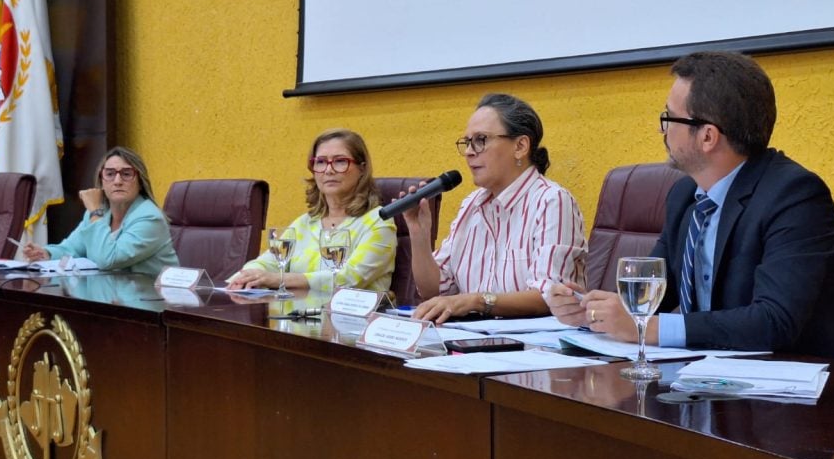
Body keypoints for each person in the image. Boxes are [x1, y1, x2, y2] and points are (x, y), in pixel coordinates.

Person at [547, 51, 834, 365]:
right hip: (722, 378)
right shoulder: (685, 196)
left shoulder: (794, 196)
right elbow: (655, 293)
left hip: (821, 392)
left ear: (707, 136)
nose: (661, 130)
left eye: (668, 117)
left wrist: (650, 330)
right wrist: (593, 309)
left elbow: (775, 320)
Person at [402, 92, 587, 323]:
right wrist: (418, 234)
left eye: (481, 140)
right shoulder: (471, 204)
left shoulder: (552, 201)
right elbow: (435, 291)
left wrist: (476, 301)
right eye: (467, 142)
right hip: (474, 340)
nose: (469, 151)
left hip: (533, 348)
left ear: (520, 146)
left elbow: (549, 297)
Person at [227, 128, 396, 292]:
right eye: (321, 162)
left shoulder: (378, 220)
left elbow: (349, 278)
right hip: (300, 316)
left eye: (340, 161)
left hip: (350, 318)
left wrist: (279, 279)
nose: (329, 170)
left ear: (362, 169)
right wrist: (247, 276)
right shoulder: (306, 222)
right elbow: (268, 263)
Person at [23, 146, 178, 276]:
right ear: (102, 181)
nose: (117, 181)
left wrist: (95, 212)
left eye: (126, 174)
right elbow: (73, 247)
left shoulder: (150, 217)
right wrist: (46, 253)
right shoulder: (100, 211)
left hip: (149, 303)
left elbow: (108, 260)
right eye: (110, 174)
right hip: (113, 297)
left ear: (140, 182)